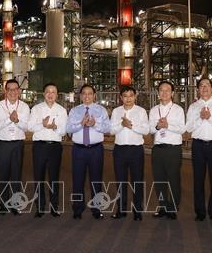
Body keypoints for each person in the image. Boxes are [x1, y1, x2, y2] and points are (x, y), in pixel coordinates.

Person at [185, 78, 212, 222]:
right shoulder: (193, 107)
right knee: (198, 180)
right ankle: (200, 212)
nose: (204, 88)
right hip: (198, 145)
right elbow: (189, 128)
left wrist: (209, 118)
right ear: (198, 89)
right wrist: (201, 118)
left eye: (207, 85)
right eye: (201, 86)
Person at [66, 84, 110, 220]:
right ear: (80, 96)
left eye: (89, 93)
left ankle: (97, 209)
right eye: (84, 93)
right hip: (78, 149)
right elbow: (68, 129)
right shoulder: (74, 111)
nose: (87, 96)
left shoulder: (101, 110)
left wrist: (94, 124)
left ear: (94, 95)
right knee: (77, 180)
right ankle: (77, 209)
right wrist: (81, 124)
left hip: (96, 149)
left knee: (96, 180)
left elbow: (107, 129)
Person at [28, 82, 68, 218]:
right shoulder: (36, 109)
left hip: (55, 147)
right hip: (39, 146)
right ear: (44, 94)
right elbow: (30, 127)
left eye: (53, 92)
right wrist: (42, 124)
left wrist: (55, 127)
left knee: (54, 177)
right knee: (38, 177)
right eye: (48, 92)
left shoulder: (62, 110)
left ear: (57, 95)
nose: (50, 94)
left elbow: (64, 132)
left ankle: (54, 206)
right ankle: (39, 206)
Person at [110, 86, 149, 221]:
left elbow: (145, 130)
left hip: (136, 150)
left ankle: (137, 210)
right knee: (120, 181)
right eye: (125, 96)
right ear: (121, 97)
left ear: (135, 96)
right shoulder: (116, 111)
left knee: (137, 181)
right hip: (119, 150)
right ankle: (121, 209)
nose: (128, 98)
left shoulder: (141, 111)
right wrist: (122, 124)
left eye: (131, 95)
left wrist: (131, 126)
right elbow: (111, 131)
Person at [0, 78, 30, 215]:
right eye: (10, 89)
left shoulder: (24, 107)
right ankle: (3, 204)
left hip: (18, 144)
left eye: (15, 89)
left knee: (16, 175)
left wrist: (17, 120)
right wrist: (9, 119)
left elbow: (26, 127)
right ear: (5, 91)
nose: (13, 92)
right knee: (3, 175)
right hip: (2, 144)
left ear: (19, 91)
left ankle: (15, 204)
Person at [148, 81, 186, 220]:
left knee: (174, 179)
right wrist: (158, 127)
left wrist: (168, 125)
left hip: (173, 149)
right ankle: (163, 206)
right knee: (159, 180)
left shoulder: (178, 109)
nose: (164, 93)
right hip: (157, 149)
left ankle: (173, 208)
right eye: (161, 90)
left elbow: (182, 129)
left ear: (173, 93)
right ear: (158, 93)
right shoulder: (153, 110)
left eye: (167, 90)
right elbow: (150, 129)